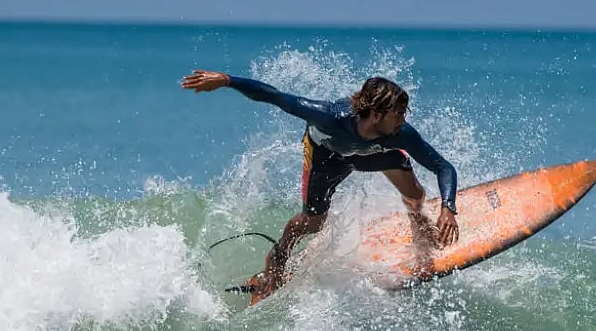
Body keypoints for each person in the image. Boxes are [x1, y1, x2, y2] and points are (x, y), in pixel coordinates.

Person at [181, 69, 460, 298]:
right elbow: (275, 97)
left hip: (370, 154)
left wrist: (448, 207)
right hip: (326, 156)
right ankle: (276, 262)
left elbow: (442, 167)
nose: (404, 119)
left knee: (415, 193)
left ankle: (419, 226)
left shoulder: (400, 134)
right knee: (312, 222)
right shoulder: (328, 116)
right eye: (398, 113)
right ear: (376, 114)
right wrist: (227, 81)